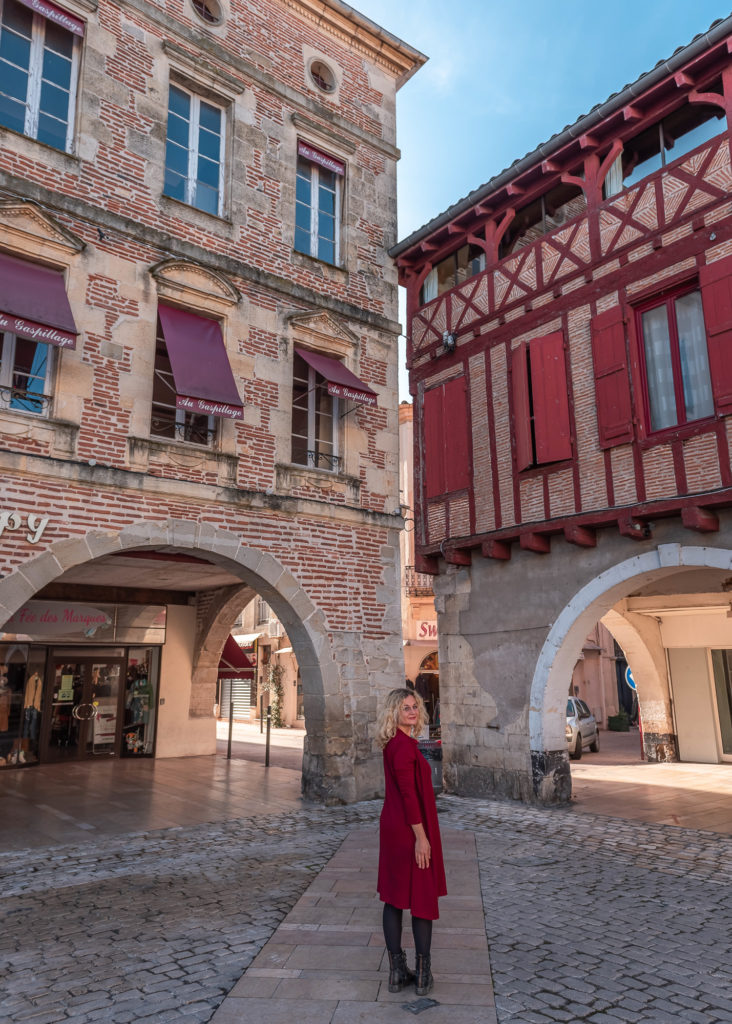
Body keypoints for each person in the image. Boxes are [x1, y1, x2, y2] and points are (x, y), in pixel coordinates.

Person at [376, 688, 446, 996]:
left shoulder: (394, 744)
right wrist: (422, 838)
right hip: (408, 830)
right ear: (394, 713)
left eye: (414, 706)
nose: (412, 711)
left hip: (393, 827)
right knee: (421, 899)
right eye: (405, 708)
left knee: (393, 899)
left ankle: (396, 973)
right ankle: (422, 975)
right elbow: (408, 797)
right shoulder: (403, 748)